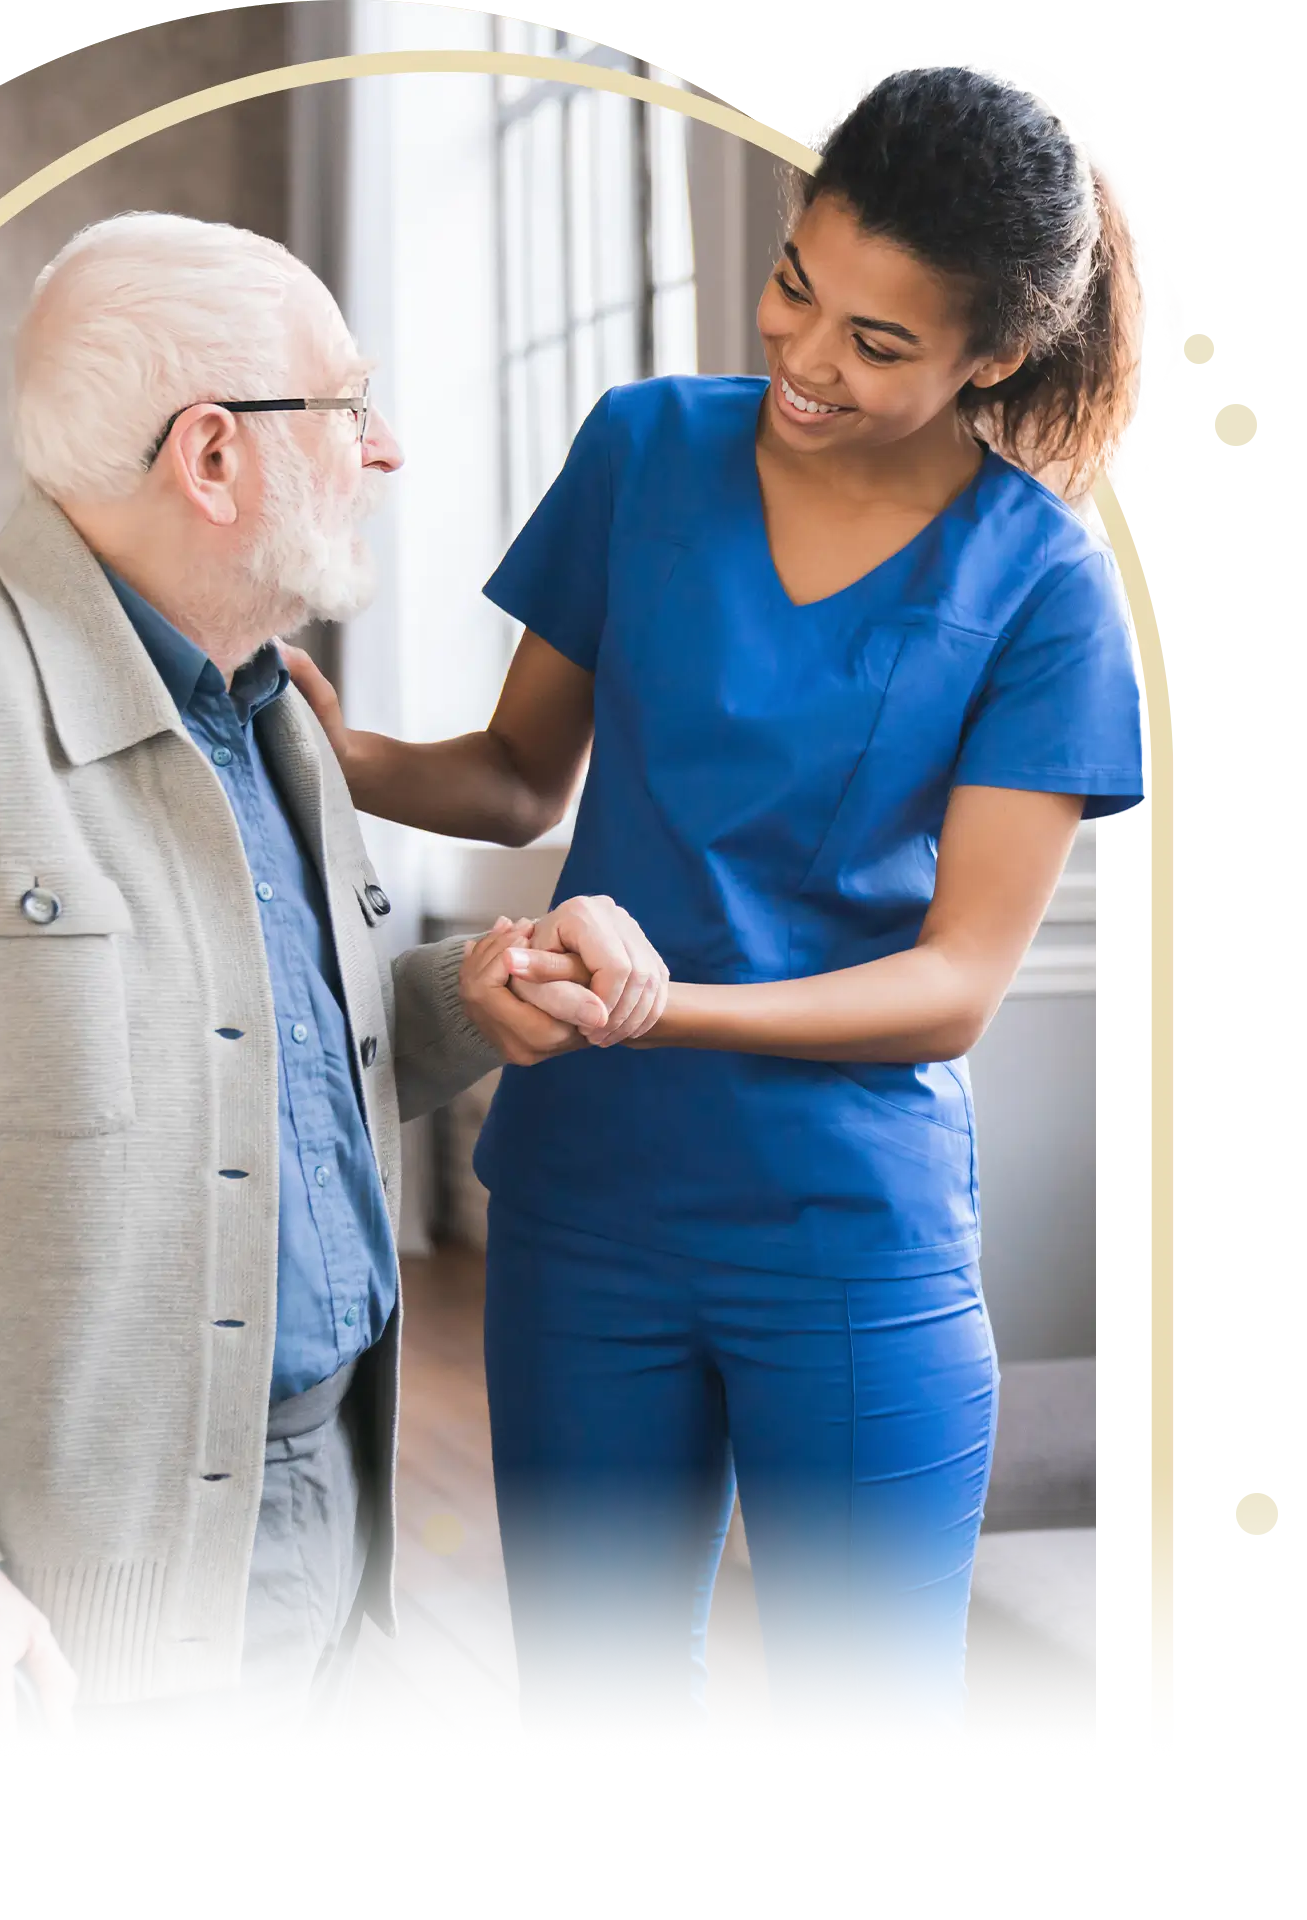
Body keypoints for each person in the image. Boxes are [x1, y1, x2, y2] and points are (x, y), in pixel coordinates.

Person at [0, 211, 639, 1761]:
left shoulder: (273, 713)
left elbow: (248, 1055)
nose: (387, 448)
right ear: (213, 458)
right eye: (346, 406)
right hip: (58, 1635)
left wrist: (467, 998)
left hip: (319, 1532)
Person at [282, 63, 1151, 1759]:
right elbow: (526, 778)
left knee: (871, 1733)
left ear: (993, 358)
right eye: (797, 287)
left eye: (881, 345)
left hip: (847, 1231)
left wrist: (660, 1008)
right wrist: (341, 749)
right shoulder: (646, 448)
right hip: (585, 1206)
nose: (808, 360)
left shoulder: (1046, 587)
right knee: (594, 1727)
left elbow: (955, 983)